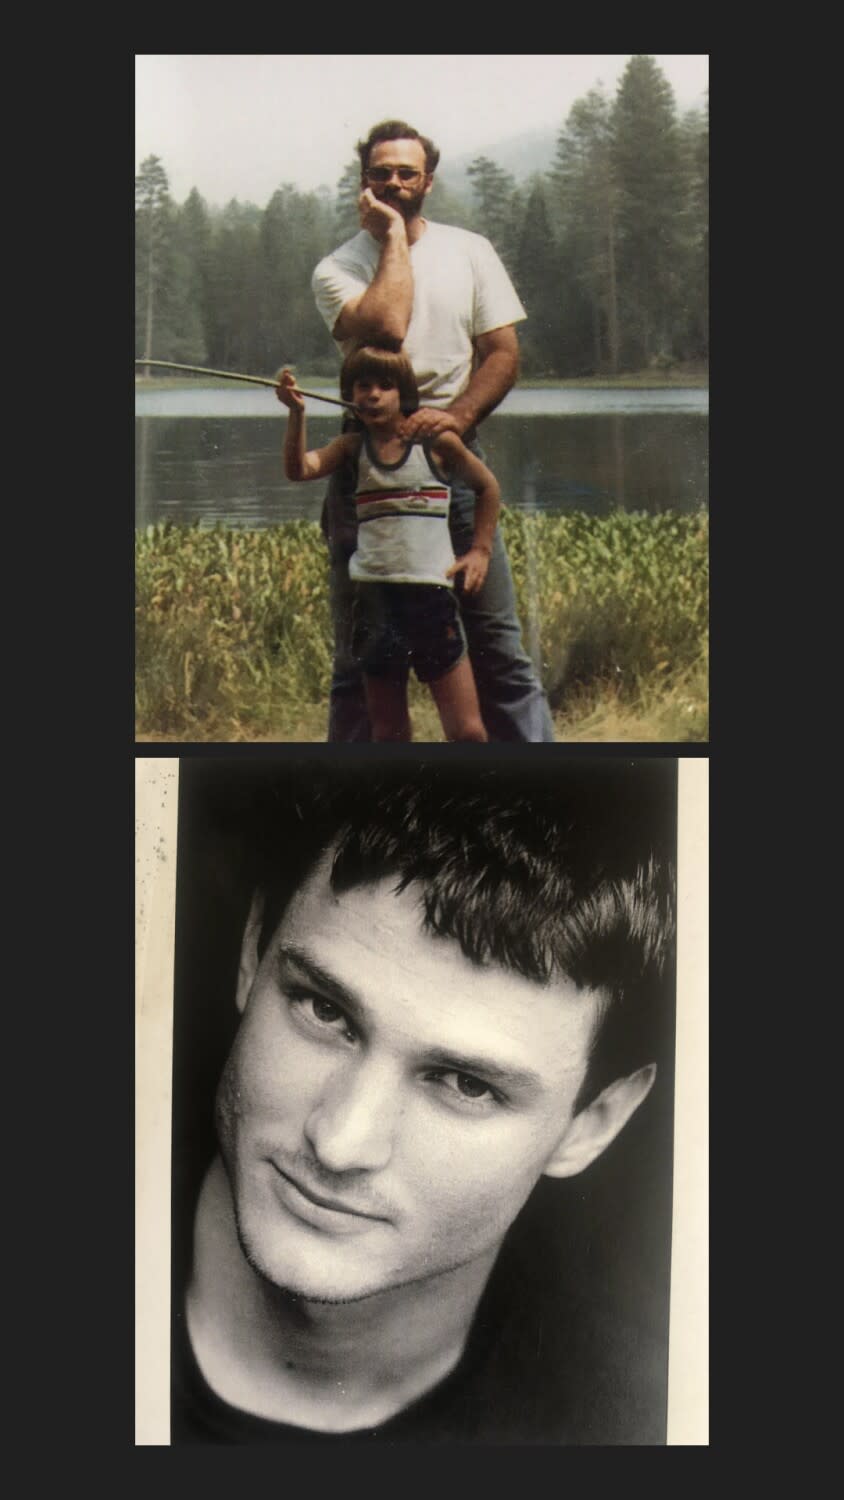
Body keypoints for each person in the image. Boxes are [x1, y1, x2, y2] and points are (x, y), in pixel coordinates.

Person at [171, 760, 677, 1443]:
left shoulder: (643, 1423)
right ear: (252, 950)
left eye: (468, 1085)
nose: (341, 1141)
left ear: (591, 1125)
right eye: (324, 1011)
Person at [311, 119, 555, 744]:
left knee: (498, 647)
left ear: (428, 181)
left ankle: (544, 793)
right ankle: (358, 814)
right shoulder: (336, 268)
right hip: (364, 466)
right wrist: (392, 234)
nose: (393, 182)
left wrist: (460, 417)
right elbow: (387, 327)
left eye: (406, 173)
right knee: (358, 656)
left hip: (452, 458)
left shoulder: (470, 250)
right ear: (362, 182)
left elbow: (502, 353)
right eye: (380, 173)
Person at [275, 346, 500, 743]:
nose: (373, 395)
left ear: (404, 394)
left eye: (386, 386)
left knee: (467, 731)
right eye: (363, 386)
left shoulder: (437, 443)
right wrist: (296, 413)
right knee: (389, 732)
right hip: (375, 601)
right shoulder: (351, 447)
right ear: (349, 394)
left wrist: (480, 550)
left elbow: (487, 487)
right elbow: (299, 469)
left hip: (432, 598)